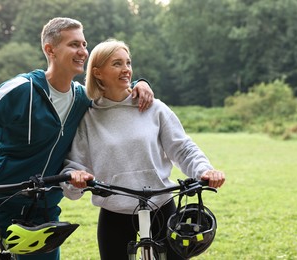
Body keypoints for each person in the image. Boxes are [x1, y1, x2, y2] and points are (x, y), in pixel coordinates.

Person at [0, 18, 153, 260]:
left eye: (84, 44)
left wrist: (141, 83)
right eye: (74, 44)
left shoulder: (83, 98)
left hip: (41, 210)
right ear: (50, 49)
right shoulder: (21, 89)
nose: (83, 52)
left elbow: (117, 89)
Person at [60, 38, 226, 260]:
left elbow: (183, 148)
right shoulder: (89, 117)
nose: (126, 69)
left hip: (161, 204)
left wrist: (204, 170)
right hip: (114, 210)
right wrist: (76, 177)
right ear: (98, 72)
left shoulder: (153, 107)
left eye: (128, 63)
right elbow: (75, 164)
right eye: (117, 64)